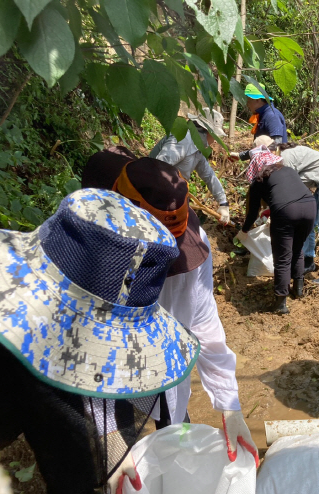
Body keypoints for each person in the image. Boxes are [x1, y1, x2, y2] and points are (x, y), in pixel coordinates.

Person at [0, 188, 200, 493]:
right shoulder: (36, 357)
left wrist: (115, 447)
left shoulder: (26, 295)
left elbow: (89, 380)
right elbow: (69, 460)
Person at [83, 150, 259, 469]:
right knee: (114, 446)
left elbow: (203, 324)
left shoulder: (193, 241)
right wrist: (107, 432)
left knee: (173, 423)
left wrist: (229, 404)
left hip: (162, 356)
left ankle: (174, 437)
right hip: (107, 365)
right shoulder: (93, 252)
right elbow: (87, 346)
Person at [239, 146, 316, 314]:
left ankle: (281, 303)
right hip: (310, 207)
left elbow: (252, 213)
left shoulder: (258, 181)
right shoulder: (288, 170)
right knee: (298, 248)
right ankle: (299, 288)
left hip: (286, 211)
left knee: (282, 258)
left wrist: (243, 231)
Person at [258, 137, 319, 279]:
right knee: (308, 224)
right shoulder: (281, 155)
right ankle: (308, 261)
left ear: (271, 151)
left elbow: (287, 192)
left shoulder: (285, 159)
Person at [149, 108, 231, 225]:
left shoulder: (198, 147)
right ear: (208, 132)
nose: (215, 141)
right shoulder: (184, 140)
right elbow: (157, 169)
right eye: (215, 136)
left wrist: (223, 203)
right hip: (156, 195)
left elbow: (208, 175)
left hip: (173, 193)